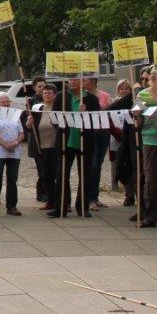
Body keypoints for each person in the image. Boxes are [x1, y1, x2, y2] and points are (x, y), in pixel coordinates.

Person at [48, 77, 99, 218]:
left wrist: (86, 114)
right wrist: (63, 125)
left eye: (75, 79)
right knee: (62, 174)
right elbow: (54, 118)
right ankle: (61, 207)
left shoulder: (91, 99)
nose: (72, 82)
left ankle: (83, 207)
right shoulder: (61, 96)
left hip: (85, 141)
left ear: (82, 81)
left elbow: (97, 121)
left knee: (85, 175)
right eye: (70, 79)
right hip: (66, 141)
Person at [131, 70, 157, 228]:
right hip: (150, 139)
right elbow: (136, 115)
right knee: (151, 179)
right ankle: (151, 215)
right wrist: (136, 114)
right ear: (155, 79)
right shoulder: (143, 95)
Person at [0, 92, 24, 218]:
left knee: (12, 179)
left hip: (14, 150)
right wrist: (4, 144)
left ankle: (12, 205)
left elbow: (21, 132)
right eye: (3, 102)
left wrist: (15, 142)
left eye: (8, 101)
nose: (6, 104)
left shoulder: (15, 115)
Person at [27, 83, 58, 212]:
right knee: (45, 175)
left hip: (55, 147)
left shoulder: (58, 109)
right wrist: (29, 122)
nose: (47, 95)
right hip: (41, 147)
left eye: (50, 93)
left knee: (56, 174)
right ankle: (50, 200)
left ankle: (60, 201)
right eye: (45, 93)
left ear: (54, 95)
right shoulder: (37, 109)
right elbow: (29, 128)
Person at [84, 78, 111, 210]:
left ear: (93, 81)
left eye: (86, 79)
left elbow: (110, 110)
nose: (83, 81)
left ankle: (95, 197)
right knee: (92, 165)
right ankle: (89, 198)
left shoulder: (104, 95)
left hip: (103, 131)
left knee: (98, 165)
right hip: (90, 132)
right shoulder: (84, 96)